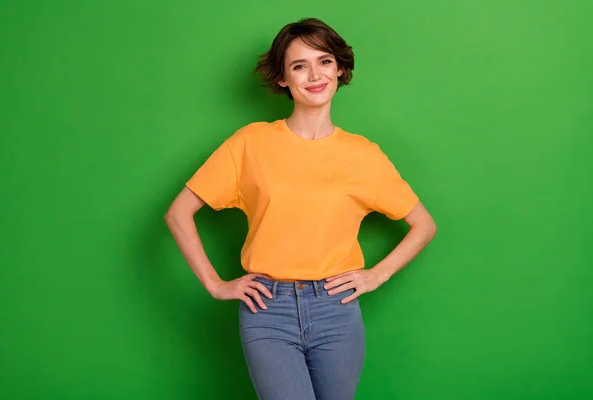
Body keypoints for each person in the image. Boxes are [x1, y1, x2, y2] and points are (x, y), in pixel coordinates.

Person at [164, 17, 437, 400]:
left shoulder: (364, 155)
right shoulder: (251, 143)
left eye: (324, 61)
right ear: (282, 78)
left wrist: (376, 275)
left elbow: (423, 224)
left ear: (340, 69)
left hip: (337, 310)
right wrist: (216, 285)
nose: (314, 75)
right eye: (299, 66)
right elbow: (178, 213)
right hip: (267, 310)